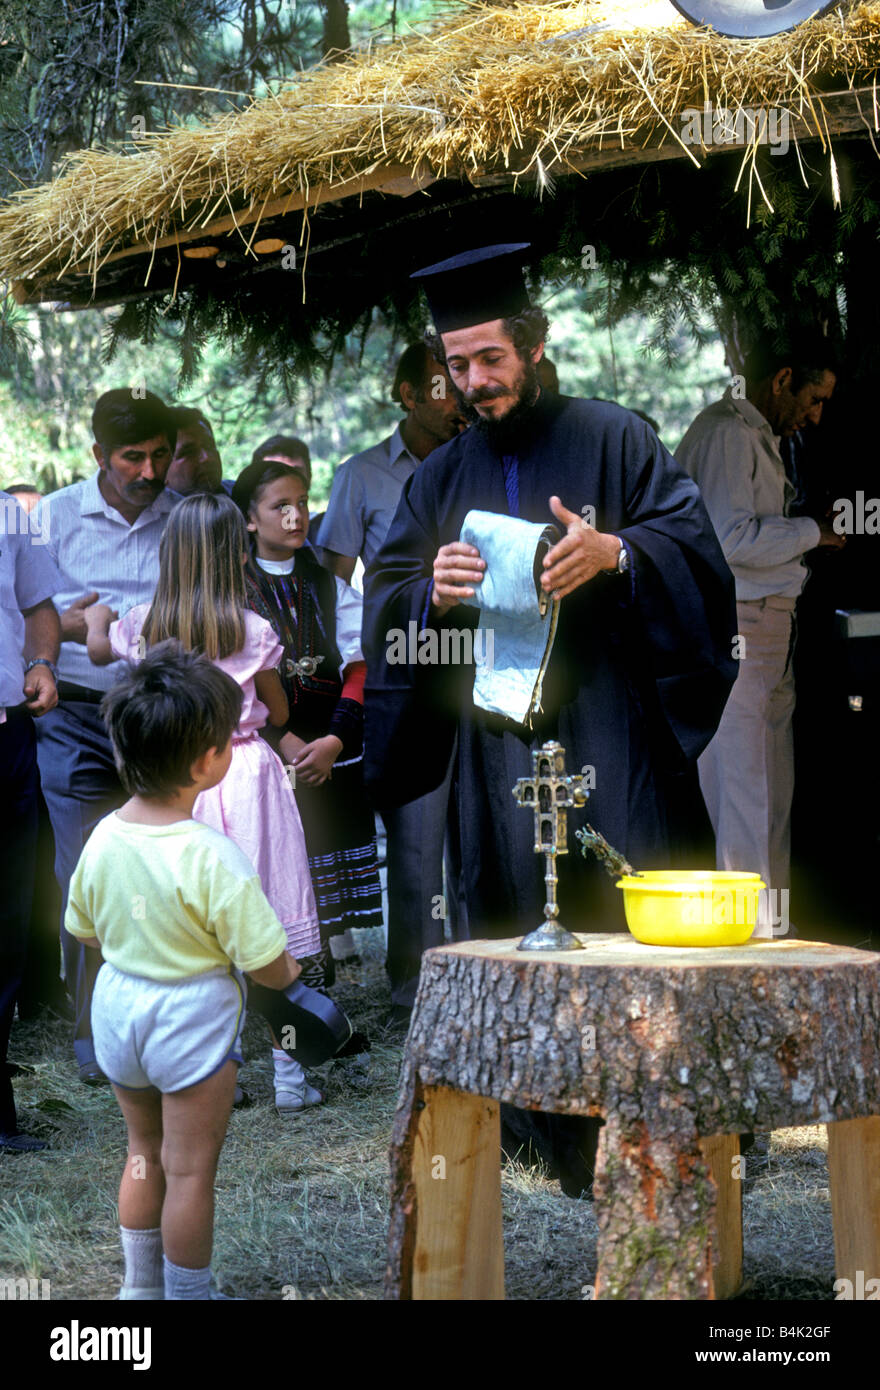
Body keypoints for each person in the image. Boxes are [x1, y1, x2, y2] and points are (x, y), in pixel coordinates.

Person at [362, 243, 738, 1194]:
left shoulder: (617, 438)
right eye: (458, 366)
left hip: (616, 732)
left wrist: (618, 554)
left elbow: (692, 554)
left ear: (533, 344)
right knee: (512, 912)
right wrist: (430, 597)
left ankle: (657, 1115)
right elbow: (394, 592)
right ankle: (537, 1129)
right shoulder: (440, 475)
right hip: (502, 751)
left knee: (628, 915)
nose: (476, 382)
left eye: (491, 359)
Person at [65, 643, 302, 1298]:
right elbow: (267, 963)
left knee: (143, 1154)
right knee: (191, 1170)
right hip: (191, 1020)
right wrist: (293, 980)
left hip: (117, 1012)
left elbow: (82, 929)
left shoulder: (103, 837)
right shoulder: (214, 856)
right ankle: (189, 1298)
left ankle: (140, 1295)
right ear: (207, 762)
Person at [85, 493, 323, 1115]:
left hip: (177, 782)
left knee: (195, 923)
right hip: (241, 770)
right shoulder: (253, 629)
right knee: (263, 913)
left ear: (169, 552)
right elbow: (280, 711)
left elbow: (101, 650)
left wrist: (93, 619)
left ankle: (209, 1066)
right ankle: (292, 1079)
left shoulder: (140, 624)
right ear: (235, 555)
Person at [319, 343, 470, 1023]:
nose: (455, 398)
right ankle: (413, 986)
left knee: (483, 832)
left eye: (458, 384)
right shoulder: (361, 476)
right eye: (441, 386)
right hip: (404, 673)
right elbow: (333, 581)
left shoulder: (479, 458)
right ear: (406, 394)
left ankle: (481, 970)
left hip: (481, 663)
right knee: (415, 838)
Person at [32, 388, 179, 1083]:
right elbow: (14, 614)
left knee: (164, 868)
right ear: (97, 455)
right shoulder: (51, 518)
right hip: (76, 717)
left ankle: (164, 1023)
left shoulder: (183, 518)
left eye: (160, 456)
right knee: (86, 874)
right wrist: (81, 626)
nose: (149, 473)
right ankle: (92, 1029)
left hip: (161, 718)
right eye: (132, 458)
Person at [675, 339, 845, 936]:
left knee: (771, 791)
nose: (816, 415)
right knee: (744, 790)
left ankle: (772, 935)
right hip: (740, 629)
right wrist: (811, 532)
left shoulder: (753, 433)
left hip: (772, 626)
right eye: (814, 398)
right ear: (783, 377)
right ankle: (747, 940)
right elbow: (731, 542)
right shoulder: (727, 433)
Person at [231, 459, 384, 981]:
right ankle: (285, 990)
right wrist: (285, 741)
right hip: (269, 754)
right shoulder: (233, 590)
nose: (297, 517)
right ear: (250, 519)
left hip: (331, 746)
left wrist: (337, 739)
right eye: (281, 507)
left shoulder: (326, 582)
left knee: (327, 866)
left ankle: (321, 994)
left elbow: (360, 662)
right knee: (285, 864)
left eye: (302, 503)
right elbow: (233, 680)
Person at [0, 489, 61, 1153]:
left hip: (9, 740)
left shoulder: (8, 513)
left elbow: (38, 607)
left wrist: (41, 661)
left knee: (6, 929)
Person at [165, 407, 229, 496]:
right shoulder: (149, 509)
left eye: (209, 446)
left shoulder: (246, 495)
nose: (207, 458)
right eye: (190, 452)